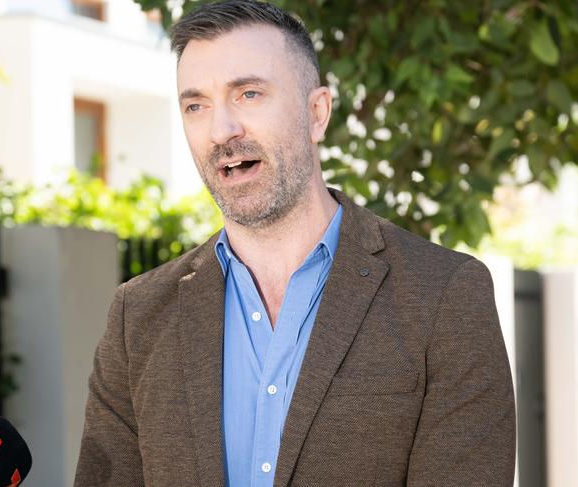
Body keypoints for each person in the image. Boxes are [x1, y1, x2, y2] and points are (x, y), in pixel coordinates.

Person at [74, 1, 516, 486]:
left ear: (317, 113)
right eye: (196, 105)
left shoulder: (444, 295)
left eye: (248, 94)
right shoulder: (137, 316)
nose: (221, 130)